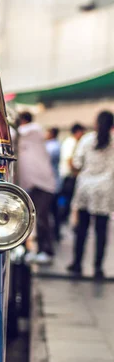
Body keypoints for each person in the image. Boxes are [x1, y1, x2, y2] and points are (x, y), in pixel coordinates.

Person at [67, 111, 114, 280]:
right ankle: (98, 268)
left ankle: (77, 263)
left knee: (82, 229)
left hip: (86, 189)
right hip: (105, 190)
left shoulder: (87, 140)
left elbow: (77, 163)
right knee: (101, 231)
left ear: (96, 123)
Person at [17, 112, 57, 264]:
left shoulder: (33, 130)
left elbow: (22, 131)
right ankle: (38, 250)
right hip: (34, 185)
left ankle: (46, 251)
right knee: (34, 219)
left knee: (41, 219)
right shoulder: (27, 138)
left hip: (44, 185)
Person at [58, 123, 86, 224]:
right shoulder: (72, 142)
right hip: (68, 176)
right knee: (67, 200)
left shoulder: (70, 141)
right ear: (78, 132)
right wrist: (77, 173)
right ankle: (62, 219)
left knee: (66, 200)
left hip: (68, 176)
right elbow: (70, 160)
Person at [45, 127, 61, 241]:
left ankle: (54, 234)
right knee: (54, 211)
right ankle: (56, 233)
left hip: (51, 182)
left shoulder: (52, 147)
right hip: (53, 182)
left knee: (51, 211)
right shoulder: (55, 145)